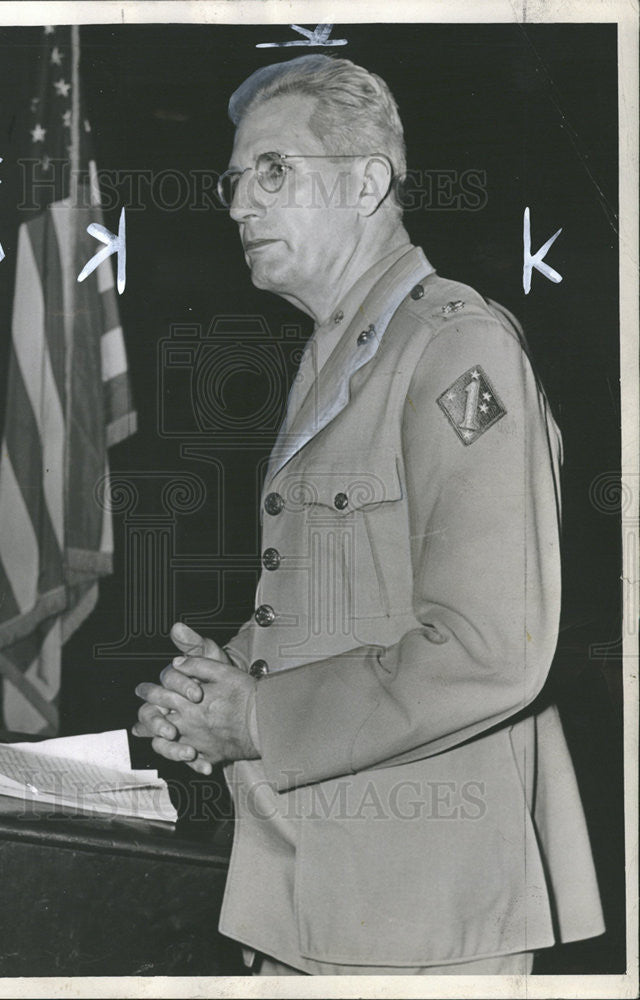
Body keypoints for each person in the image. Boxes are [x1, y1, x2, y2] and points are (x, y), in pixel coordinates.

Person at [132, 54, 605, 975]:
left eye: (274, 171)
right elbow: (359, 602)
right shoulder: (343, 348)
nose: (238, 204)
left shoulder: (455, 347)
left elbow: (490, 646)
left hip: (423, 911)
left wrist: (259, 719)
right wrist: (218, 692)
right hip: (319, 889)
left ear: (369, 181)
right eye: (235, 179)